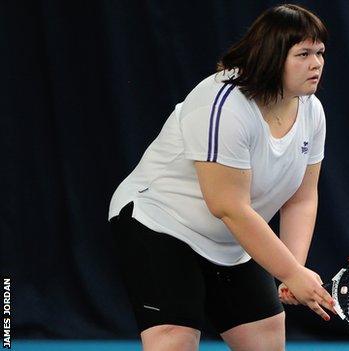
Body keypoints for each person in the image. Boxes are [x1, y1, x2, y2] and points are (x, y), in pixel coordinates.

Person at [108, 4, 332, 351]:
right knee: (174, 339)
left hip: (232, 239)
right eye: (302, 53)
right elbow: (228, 206)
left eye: (319, 52)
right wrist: (290, 273)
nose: (316, 63)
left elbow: (302, 197)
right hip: (160, 224)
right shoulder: (222, 105)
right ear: (272, 55)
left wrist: (293, 269)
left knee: (266, 339)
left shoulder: (311, 111)